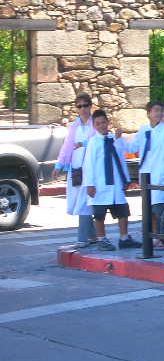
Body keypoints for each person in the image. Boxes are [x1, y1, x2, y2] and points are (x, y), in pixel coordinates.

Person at [83, 109, 141, 251]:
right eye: (98, 123)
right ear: (94, 126)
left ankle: (124, 238)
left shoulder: (114, 140)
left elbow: (121, 160)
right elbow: (88, 164)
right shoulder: (93, 143)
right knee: (99, 214)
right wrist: (90, 184)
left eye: (104, 122)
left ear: (108, 123)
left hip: (115, 184)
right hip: (100, 183)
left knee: (123, 211)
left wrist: (125, 180)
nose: (102, 125)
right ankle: (102, 239)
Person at [52, 93, 96, 248]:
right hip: (76, 170)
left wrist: (83, 143)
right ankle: (94, 236)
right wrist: (59, 165)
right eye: (79, 106)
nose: (83, 109)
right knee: (80, 202)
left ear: (90, 106)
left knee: (84, 203)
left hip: (91, 170)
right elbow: (67, 146)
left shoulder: (95, 123)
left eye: (85, 105)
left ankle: (82, 239)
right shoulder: (74, 127)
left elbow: (98, 139)